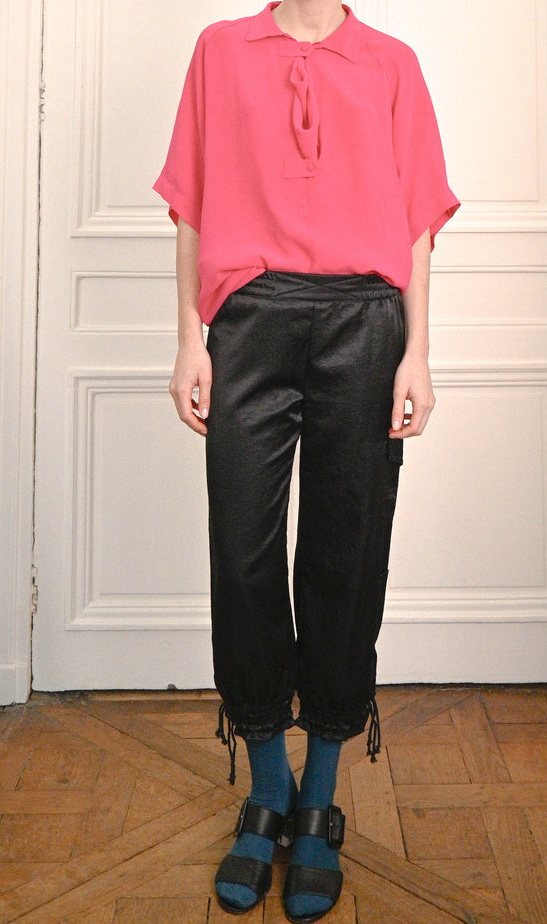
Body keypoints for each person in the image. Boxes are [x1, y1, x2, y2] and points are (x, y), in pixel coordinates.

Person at [154, 1, 459, 919]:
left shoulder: (392, 63)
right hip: (248, 323)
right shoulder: (220, 51)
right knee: (243, 557)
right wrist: (190, 339)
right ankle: (267, 788)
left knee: (344, 554)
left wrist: (418, 352)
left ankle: (319, 793)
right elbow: (191, 205)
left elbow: (418, 222)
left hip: (365, 323)